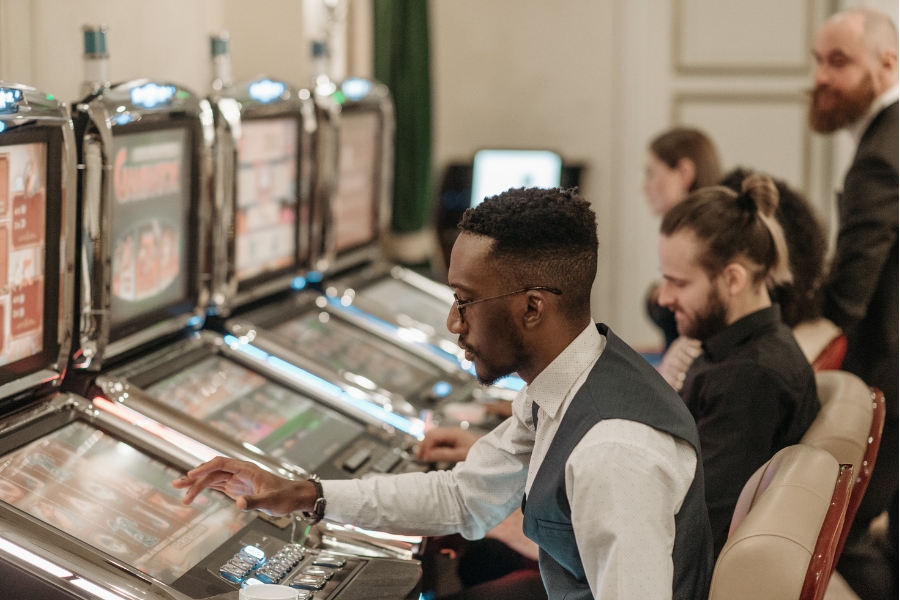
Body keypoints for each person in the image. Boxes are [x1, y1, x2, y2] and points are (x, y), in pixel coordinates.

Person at [175, 187, 714, 600]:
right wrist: (305, 494)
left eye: (465, 299)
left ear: (532, 307)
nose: (453, 321)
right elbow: (464, 498)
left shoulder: (611, 453)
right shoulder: (573, 378)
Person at [657, 173, 820, 558]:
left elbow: (699, 530)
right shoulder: (733, 353)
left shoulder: (750, 378)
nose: (664, 297)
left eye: (677, 283)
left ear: (732, 279)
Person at [809, 8, 898, 599]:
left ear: (886, 64)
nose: (822, 77)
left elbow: (851, 292)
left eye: (838, 61)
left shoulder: (879, 153)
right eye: (818, 60)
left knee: (843, 531)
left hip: (890, 376)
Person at [643, 128, 723, 348]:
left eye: (651, 173)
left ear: (684, 172)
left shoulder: (710, 239)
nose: (644, 186)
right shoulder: (684, 236)